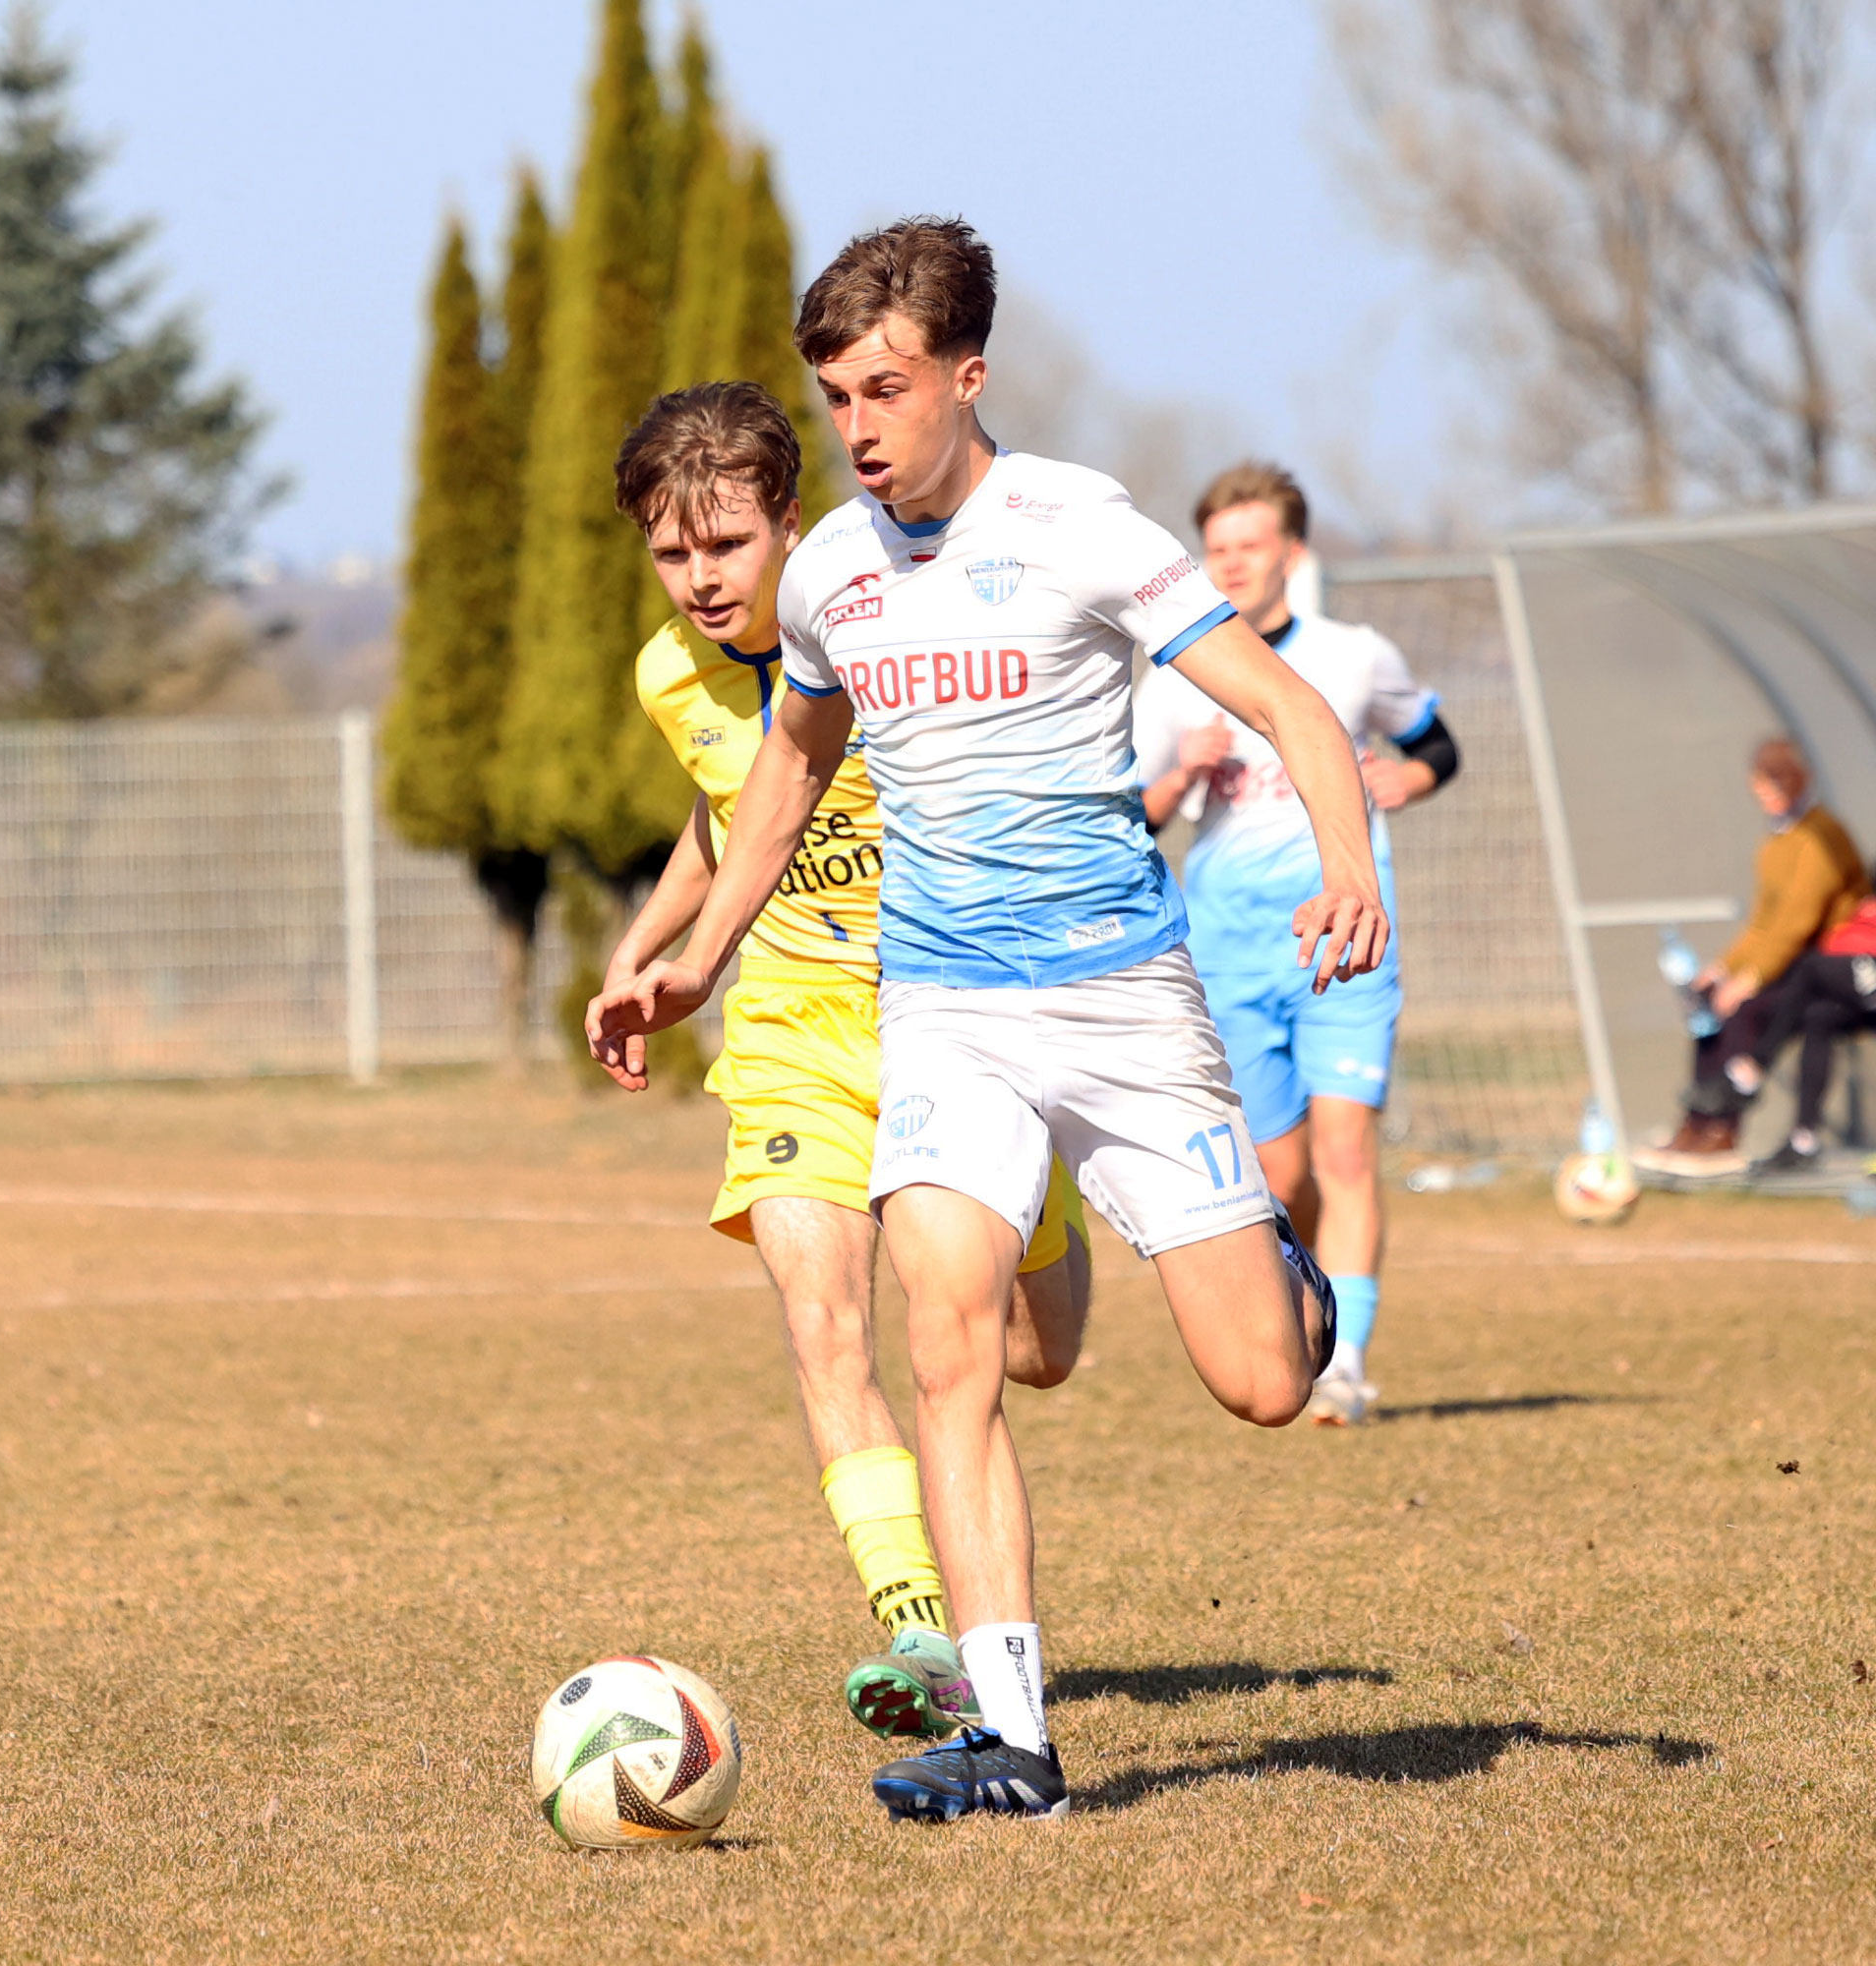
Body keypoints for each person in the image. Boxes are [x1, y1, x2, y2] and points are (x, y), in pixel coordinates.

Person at [589, 218, 1388, 1823]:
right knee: (943, 1340)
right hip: (944, 1014)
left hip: (1123, 1007)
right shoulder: (830, 572)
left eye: (885, 390)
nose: (860, 426)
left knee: (1261, 1383)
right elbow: (785, 770)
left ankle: (1286, 1282)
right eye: (838, 398)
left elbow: (1289, 703)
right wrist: (696, 959)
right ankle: (1013, 1739)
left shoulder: (1080, 529)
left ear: (967, 375)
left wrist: (1350, 870)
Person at [598, 378, 1092, 1746]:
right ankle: (921, 1628)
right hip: (791, 1027)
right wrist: (646, 948)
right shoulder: (667, 673)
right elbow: (729, 814)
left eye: (725, 544)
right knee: (826, 1324)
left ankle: (1070, 1215)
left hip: (955, 1016)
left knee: (1035, 1352)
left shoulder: (885, 625)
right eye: (671, 552)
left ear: (790, 522)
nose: (699, 579)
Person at [1133, 464, 1457, 1425]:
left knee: (1345, 1148)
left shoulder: (1352, 656)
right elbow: (1132, 816)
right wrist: (1182, 774)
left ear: (1292, 553)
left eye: (1250, 545)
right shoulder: (1178, 676)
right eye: (1216, 549)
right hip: (1231, 946)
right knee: (1280, 1177)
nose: (1232, 563)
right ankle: (1312, 1315)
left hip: (1346, 936)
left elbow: (1436, 745)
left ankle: (1345, 1364)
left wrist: (1405, 780)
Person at [1640, 737, 1867, 1174]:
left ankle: (1724, 1129)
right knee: (1709, 1003)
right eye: (1761, 784)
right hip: (1788, 965)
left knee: (1745, 1008)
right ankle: (1697, 1121)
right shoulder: (1776, 841)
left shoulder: (1820, 835)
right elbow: (1764, 923)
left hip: (1825, 967)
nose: (1765, 793)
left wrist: (1751, 978)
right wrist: (1723, 968)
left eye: (1774, 783)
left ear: (1796, 782)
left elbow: (1797, 923)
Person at [1722, 893, 1876, 1174]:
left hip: (1868, 970)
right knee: (1819, 1017)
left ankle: (1757, 1064)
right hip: (1858, 973)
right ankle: (1804, 1140)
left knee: (1811, 967)